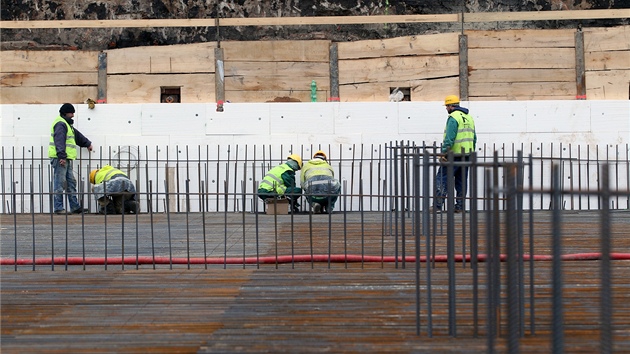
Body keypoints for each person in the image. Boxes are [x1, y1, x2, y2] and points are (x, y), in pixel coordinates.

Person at [431, 95, 477, 213]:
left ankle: (437, 206)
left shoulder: (453, 117)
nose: (446, 108)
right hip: (466, 155)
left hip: (454, 155)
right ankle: (460, 207)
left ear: (451, 106)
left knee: (442, 178)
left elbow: (449, 138)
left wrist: (444, 153)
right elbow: (474, 138)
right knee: (462, 181)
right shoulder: (469, 117)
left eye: (447, 106)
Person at [49, 103, 93, 215]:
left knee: (71, 183)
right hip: (61, 159)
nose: (73, 115)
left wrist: (87, 143)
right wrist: (61, 156)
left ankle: (75, 207)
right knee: (60, 183)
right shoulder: (60, 124)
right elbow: (59, 140)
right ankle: (58, 208)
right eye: (71, 113)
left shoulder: (67, 125)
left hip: (65, 158)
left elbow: (76, 136)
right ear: (65, 113)